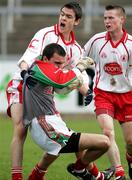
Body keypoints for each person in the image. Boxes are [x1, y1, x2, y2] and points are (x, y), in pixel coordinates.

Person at [6, 2, 92, 179]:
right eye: (62, 14)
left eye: (68, 16)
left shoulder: (76, 49)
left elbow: (75, 76)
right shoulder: (45, 34)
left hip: (44, 93)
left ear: (76, 21)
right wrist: (24, 72)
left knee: (64, 133)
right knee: (20, 128)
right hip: (23, 84)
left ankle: (90, 173)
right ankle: (16, 177)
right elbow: (27, 58)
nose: (63, 18)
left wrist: (87, 92)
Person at [22, 43, 112, 180]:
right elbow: (61, 81)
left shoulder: (40, 68)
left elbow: (60, 87)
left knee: (75, 146)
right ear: (45, 59)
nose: (60, 67)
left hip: (47, 125)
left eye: (62, 64)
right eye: (56, 63)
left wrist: (72, 85)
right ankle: (80, 169)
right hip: (45, 126)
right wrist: (80, 67)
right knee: (105, 142)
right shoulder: (40, 67)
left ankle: (36, 176)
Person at [81, 4, 132, 180]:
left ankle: (130, 158)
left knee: (131, 142)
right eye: (105, 18)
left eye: (111, 18)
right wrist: (79, 71)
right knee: (108, 133)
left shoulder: (131, 44)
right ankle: (119, 173)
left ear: (122, 20)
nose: (107, 21)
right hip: (103, 94)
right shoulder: (97, 40)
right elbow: (81, 57)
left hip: (127, 96)